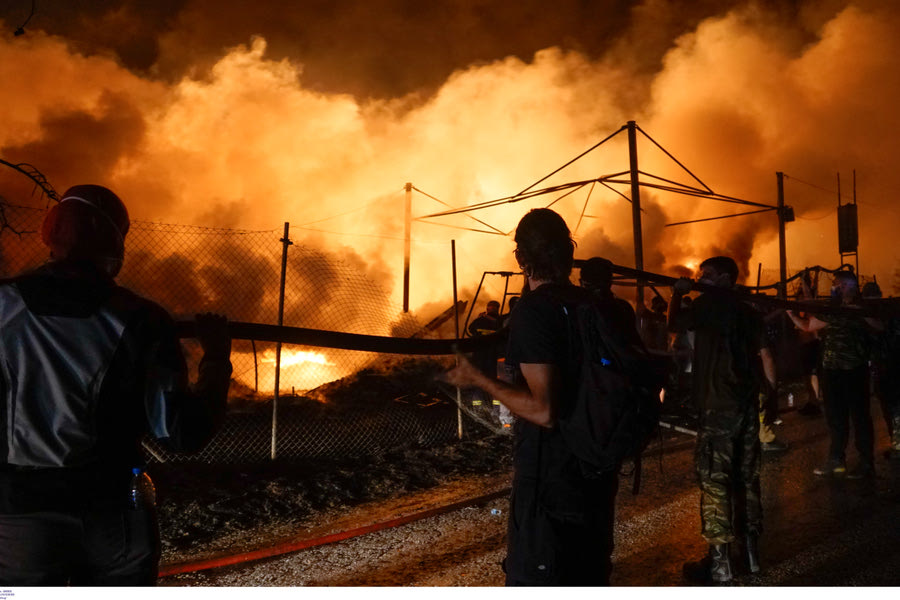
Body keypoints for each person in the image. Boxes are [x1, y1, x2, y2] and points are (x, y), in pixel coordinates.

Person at [0, 185, 233, 586]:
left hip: (18, 515)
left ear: (50, 233)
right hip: (109, 512)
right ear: (114, 242)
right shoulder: (141, 320)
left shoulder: (3, 306)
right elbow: (180, 433)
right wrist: (215, 360)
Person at [441, 208, 619, 586]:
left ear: (521, 257)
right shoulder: (594, 306)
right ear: (568, 254)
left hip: (552, 480)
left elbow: (543, 410)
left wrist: (476, 377)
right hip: (598, 471)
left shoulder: (535, 312)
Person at [669, 256, 776, 583]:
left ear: (727, 278)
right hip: (745, 406)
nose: (704, 280)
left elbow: (674, 325)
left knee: (716, 482)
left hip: (717, 408)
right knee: (746, 478)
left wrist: (677, 293)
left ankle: (720, 564)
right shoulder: (747, 311)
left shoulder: (707, 307)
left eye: (709, 275)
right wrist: (770, 395)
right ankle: (751, 554)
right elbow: (766, 354)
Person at [787, 271, 877, 479]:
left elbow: (878, 326)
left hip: (854, 370)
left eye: (839, 285)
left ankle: (866, 463)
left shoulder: (864, 308)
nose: (835, 287)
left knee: (860, 418)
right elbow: (809, 326)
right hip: (832, 371)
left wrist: (858, 313)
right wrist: (791, 314)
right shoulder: (833, 310)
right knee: (836, 418)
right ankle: (836, 460)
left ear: (849, 286)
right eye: (835, 285)